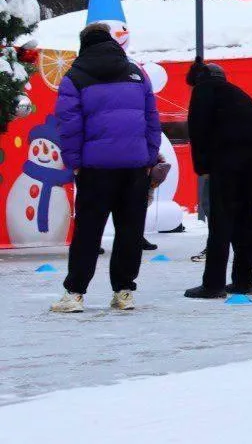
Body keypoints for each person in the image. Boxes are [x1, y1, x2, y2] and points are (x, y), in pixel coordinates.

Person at [49, 23, 161, 313]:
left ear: (83, 45)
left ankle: (75, 293)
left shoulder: (74, 77)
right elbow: (151, 118)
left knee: (88, 230)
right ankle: (124, 292)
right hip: (135, 166)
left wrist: (75, 163)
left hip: (95, 168)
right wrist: (149, 157)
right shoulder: (137, 73)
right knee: (130, 230)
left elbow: (69, 126)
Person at [183, 61, 252, 299]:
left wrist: (202, 167)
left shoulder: (204, 90)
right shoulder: (241, 94)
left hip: (225, 162)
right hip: (250, 164)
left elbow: (197, 128)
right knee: (245, 221)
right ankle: (245, 280)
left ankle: (213, 284)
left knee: (220, 221)